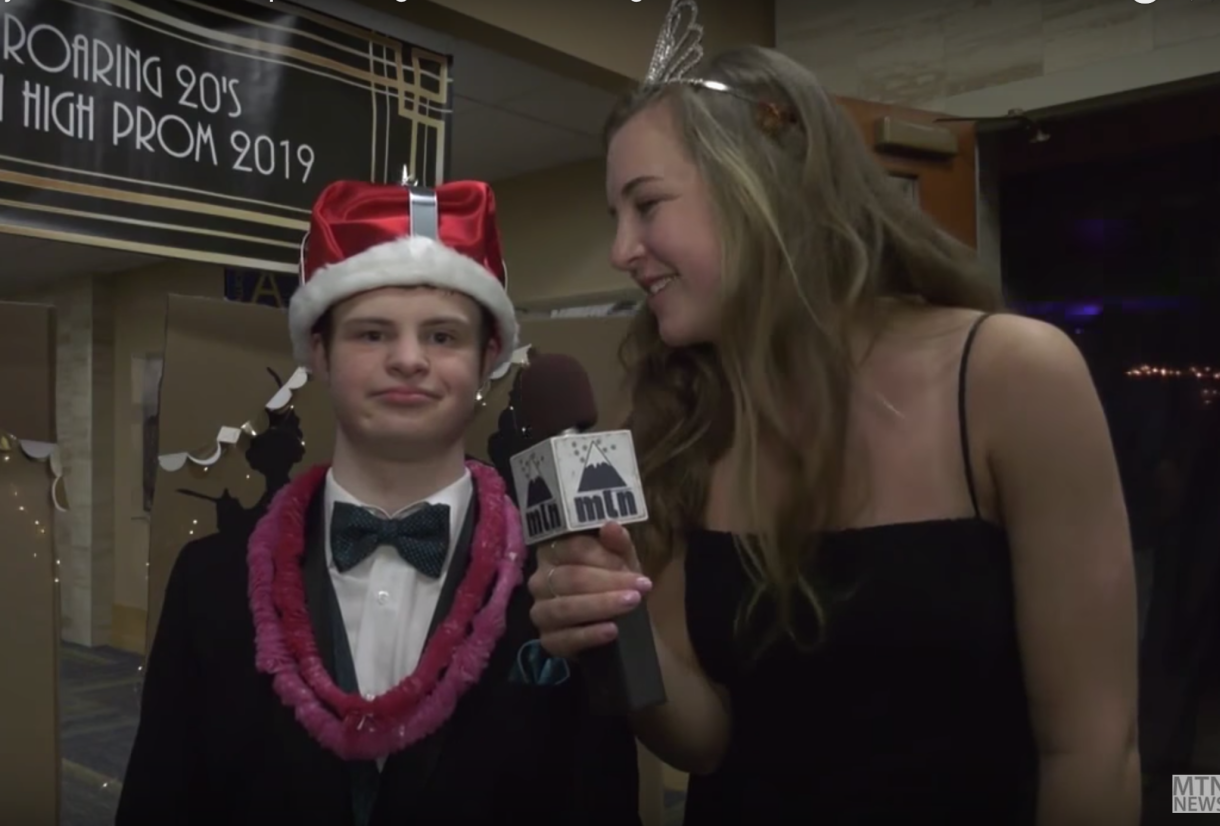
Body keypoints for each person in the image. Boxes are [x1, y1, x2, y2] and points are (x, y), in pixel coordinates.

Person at [527, 3, 1142, 824]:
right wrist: (617, 629)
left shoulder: (1008, 375)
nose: (620, 250)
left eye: (647, 205)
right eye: (616, 218)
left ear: (765, 187)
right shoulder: (676, 417)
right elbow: (702, 740)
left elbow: (1092, 750)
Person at [117, 179, 641, 826]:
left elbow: (601, 807)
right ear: (319, 351)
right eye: (370, 334)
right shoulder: (209, 582)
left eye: (443, 337)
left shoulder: (561, 585)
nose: (408, 360)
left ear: (488, 358)